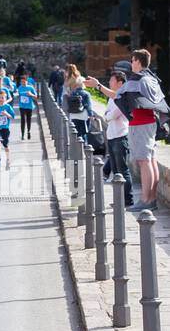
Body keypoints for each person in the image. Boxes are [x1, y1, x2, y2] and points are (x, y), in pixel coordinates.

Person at [113, 50, 169, 211]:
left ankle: (146, 200)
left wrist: (98, 86)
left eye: (132, 60)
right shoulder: (152, 79)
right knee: (151, 161)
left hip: (139, 123)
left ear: (138, 61)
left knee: (145, 162)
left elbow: (118, 97)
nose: (131, 64)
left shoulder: (136, 81)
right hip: (150, 122)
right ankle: (151, 199)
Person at [86, 69, 133, 207]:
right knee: (116, 171)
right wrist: (108, 115)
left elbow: (111, 115)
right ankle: (120, 201)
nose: (110, 82)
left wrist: (108, 115)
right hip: (112, 136)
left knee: (123, 170)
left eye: (112, 80)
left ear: (120, 83)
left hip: (120, 136)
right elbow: (107, 114)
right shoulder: (112, 98)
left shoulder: (122, 97)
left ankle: (128, 200)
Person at [62, 66, 92, 143]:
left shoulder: (71, 94)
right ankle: (84, 148)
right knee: (84, 133)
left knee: (76, 133)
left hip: (73, 115)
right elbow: (88, 106)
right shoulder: (86, 94)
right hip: (83, 116)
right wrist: (91, 115)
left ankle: (76, 149)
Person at [16, 75, 37, 139]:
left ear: (27, 81)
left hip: (29, 106)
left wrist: (31, 94)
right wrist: (17, 95)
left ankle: (28, 132)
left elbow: (36, 97)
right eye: (22, 82)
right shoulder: (19, 88)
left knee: (28, 119)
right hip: (22, 106)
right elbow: (18, 95)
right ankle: (22, 134)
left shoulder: (30, 88)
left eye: (24, 82)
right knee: (22, 119)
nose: (23, 83)